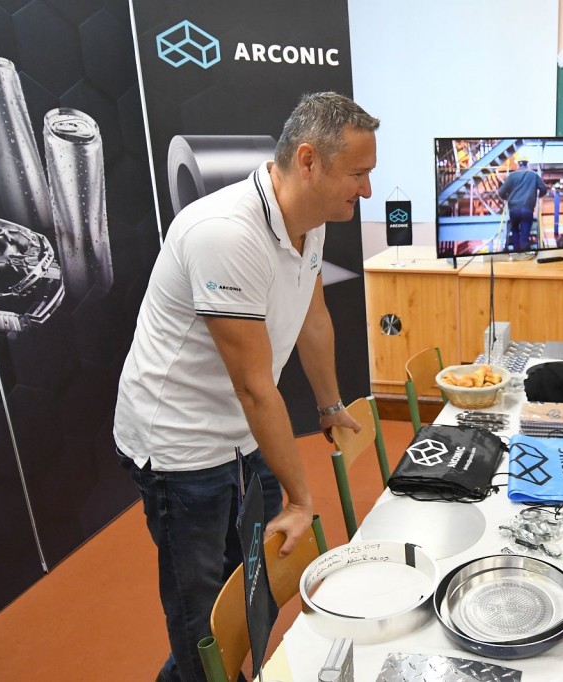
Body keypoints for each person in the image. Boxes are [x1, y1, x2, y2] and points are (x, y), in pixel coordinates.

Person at [113, 92, 378, 682]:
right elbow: (256, 388)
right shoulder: (226, 235)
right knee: (202, 617)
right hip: (179, 445)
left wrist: (330, 404)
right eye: (357, 173)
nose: (366, 190)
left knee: (250, 583)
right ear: (308, 161)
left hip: (240, 431)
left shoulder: (309, 221)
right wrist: (301, 499)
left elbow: (313, 319)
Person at [497, 158, 547, 251]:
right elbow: (543, 189)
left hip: (513, 209)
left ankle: (516, 251)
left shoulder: (511, 176)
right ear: (527, 165)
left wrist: (508, 199)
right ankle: (524, 252)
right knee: (525, 232)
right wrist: (538, 196)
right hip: (527, 209)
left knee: (515, 230)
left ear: (518, 165)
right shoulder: (534, 175)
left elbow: (501, 192)